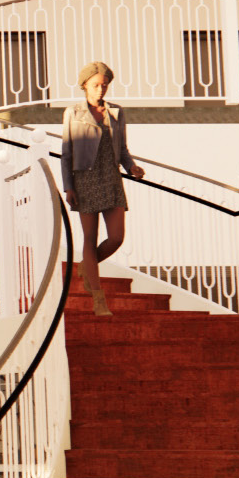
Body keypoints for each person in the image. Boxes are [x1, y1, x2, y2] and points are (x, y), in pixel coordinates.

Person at [61, 61, 147, 316]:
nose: (101, 90)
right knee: (89, 238)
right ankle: (99, 299)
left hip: (111, 179)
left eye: (105, 85)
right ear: (85, 85)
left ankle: (87, 267)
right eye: (96, 85)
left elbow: (122, 150)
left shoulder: (118, 113)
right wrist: (68, 187)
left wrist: (132, 167)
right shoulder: (73, 113)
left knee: (117, 237)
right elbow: (67, 154)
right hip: (84, 180)